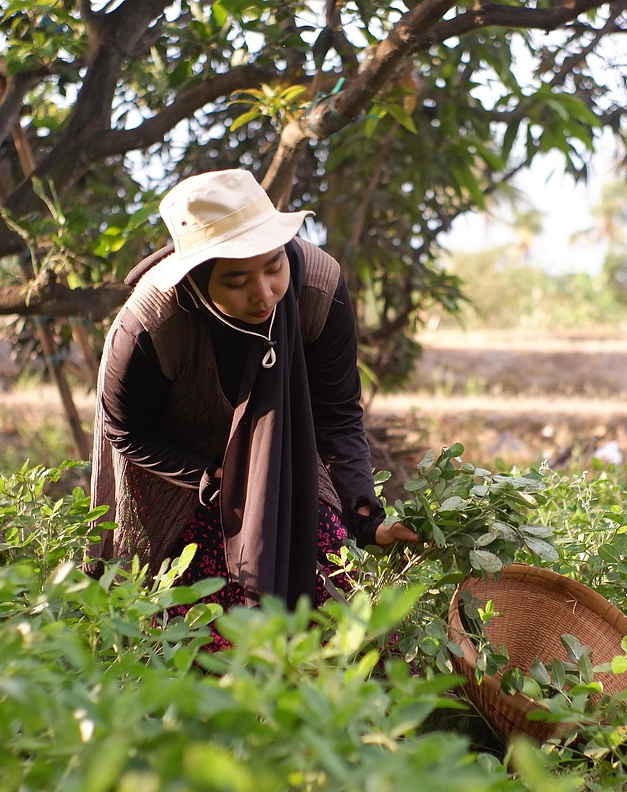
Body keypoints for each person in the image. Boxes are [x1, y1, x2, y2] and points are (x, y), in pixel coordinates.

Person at [88, 169, 416, 645]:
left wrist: (367, 517)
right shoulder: (151, 326)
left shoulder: (318, 288)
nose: (263, 294)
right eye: (237, 280)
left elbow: (338, 412)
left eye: (273, 267)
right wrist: (207, 475)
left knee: (336, 621)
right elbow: (127, 431)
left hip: (281, 448)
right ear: (198, 281)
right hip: (183, 469)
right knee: (205, 634)